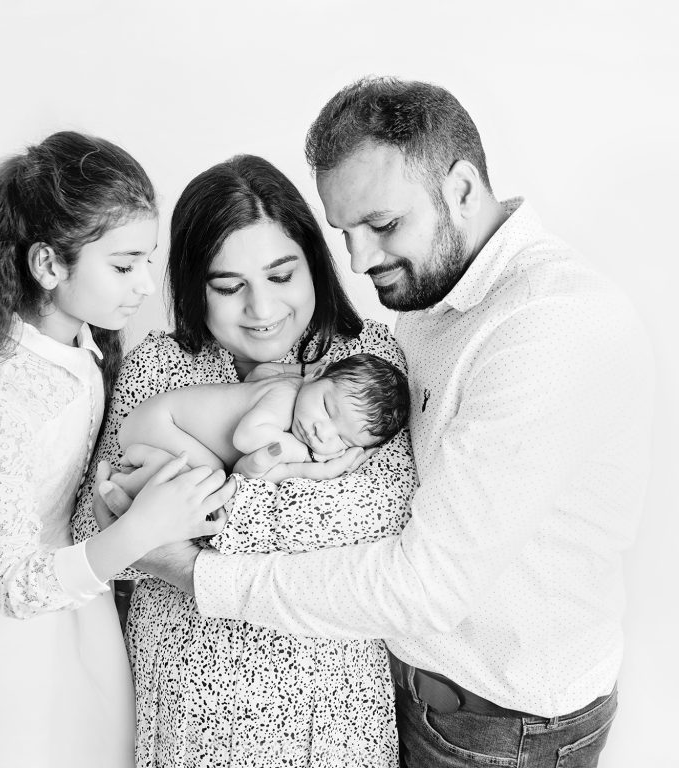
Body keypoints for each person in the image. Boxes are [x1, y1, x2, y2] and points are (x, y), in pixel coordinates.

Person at [102, 79, 655, 767]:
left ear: (460, 189)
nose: (360, 261)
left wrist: (186, 557)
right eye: (346, 234)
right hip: (399, 692)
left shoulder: (547, 330)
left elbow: (406, 556)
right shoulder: (428, 302)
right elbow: (99, 530)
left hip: (501, 722)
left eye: (383, 225)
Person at [0, 131, 233, 768]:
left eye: (147, 260)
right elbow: (12, 585)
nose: (146, 284)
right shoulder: (4, 395)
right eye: (123, 266)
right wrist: (144, 529)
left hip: (74, 609)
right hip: (12, 640)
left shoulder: (81, 344)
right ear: (48, 265)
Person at [71, 154, 418, 768]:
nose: (261, 310)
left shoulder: (368, 368)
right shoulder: (157, 364)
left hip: (327, 716)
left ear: (315, 263)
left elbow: (378, 524)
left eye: (282, 277)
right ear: (192, 283)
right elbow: (89, 535)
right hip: (186, 714)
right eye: (229, 287)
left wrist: (170, 528)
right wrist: (140, 533)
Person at [119, 352, 410, 469]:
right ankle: (132, 473)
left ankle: (137, 465)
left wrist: (302, 372)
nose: (323, 431)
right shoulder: (285, 395)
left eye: (343, 441)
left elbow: (258, 373)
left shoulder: (294, 386)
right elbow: (245, 439)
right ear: (317, 374)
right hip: (161, 422)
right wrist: (306, 455)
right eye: (325, 407)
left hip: (157, 425)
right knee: (214, 478)